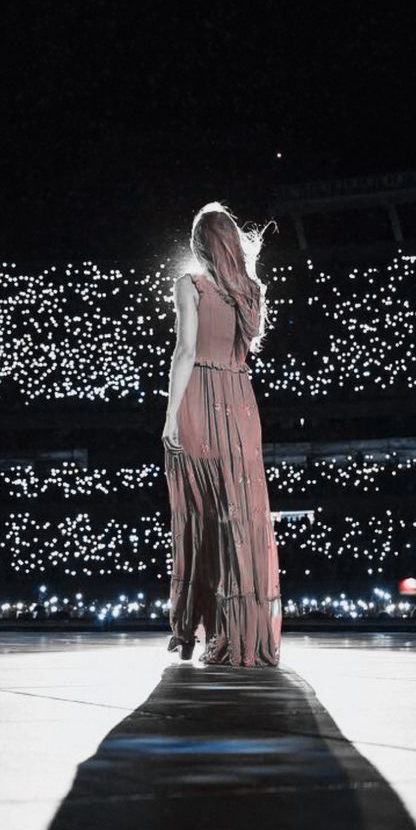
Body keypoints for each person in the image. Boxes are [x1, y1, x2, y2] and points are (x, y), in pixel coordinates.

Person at [162, 202, 282, 666]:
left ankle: (197, 630)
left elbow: (186, 351)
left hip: (199, 401)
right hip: (240, 405)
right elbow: (243, 347)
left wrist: (171, 415)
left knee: (199, 516)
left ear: (199, 244)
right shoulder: (250, 292)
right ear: (233, 243)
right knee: (240, 517)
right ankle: (239, 634)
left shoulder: (189, 286)